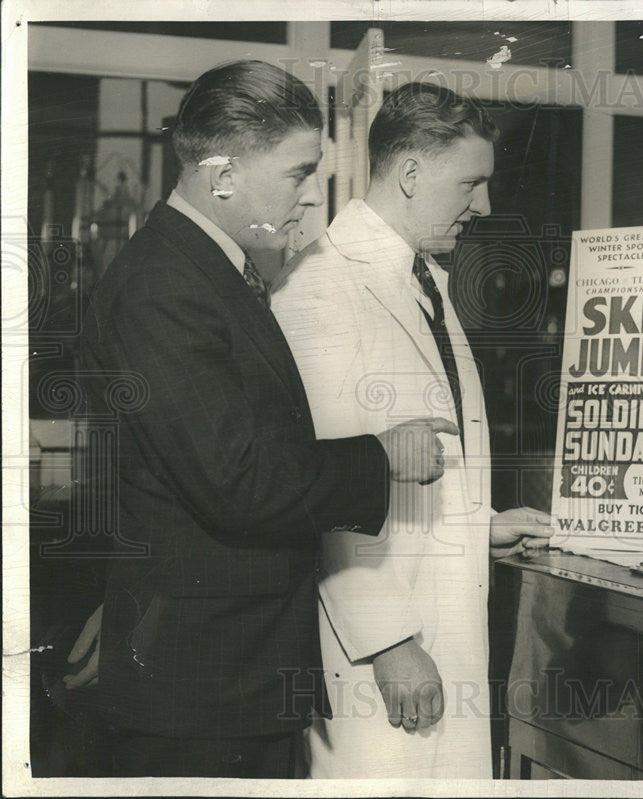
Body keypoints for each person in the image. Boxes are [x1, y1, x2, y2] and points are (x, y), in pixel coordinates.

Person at [69, 61, 455, 778]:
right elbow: (239, 481)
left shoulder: (211, 273)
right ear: (221, 177)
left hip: (231, 678)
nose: (313, 196)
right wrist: (385, 454)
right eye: (299, 172)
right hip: (202, 694)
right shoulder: (164, 288)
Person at [270, 82, 552, 779]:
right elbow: (323, 484)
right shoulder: (323, 286)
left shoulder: (421, 278)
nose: (483, 205)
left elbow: (404, 461)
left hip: (438, 628)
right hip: (384, 656)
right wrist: (389, 641)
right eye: (472, 182)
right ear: (412, 173)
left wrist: (476, 523)